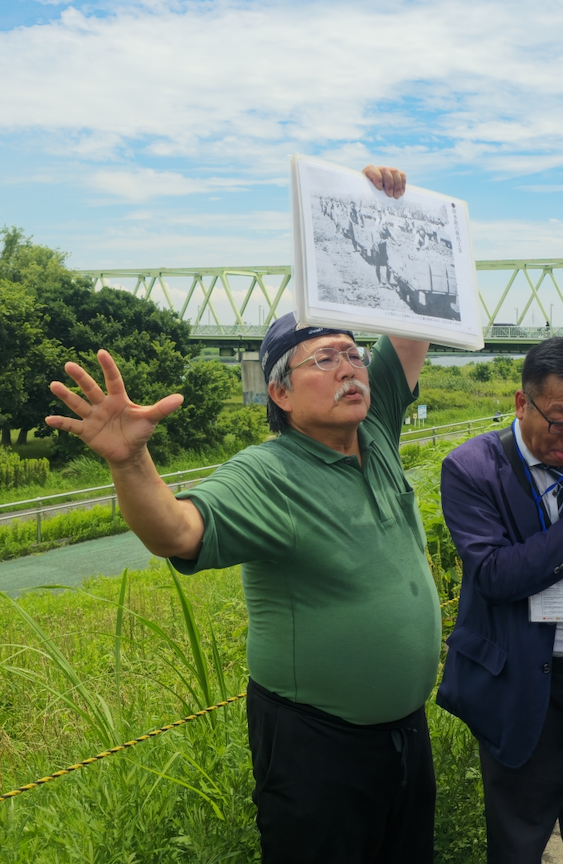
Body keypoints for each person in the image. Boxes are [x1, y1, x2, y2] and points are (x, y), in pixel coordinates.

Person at [46, 164, 441, 864]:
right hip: (317, 745)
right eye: (326, 358)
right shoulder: (267, 473)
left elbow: (410, 330)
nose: (352, 366)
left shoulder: (375, 430)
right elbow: (176, 531)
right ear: (282, 394)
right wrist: (129, 463)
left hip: (405, 733)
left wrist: (389, 215)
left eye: (354, 353)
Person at [437, 337, 563, 864]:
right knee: (517, 841)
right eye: (558, 420)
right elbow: (493, 574)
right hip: (517, 682)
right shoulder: (472, 469)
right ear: (520, 402)